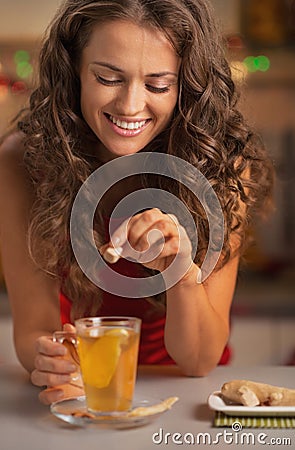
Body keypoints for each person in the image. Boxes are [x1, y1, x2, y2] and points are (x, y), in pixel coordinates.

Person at [0, 0, 273, 405]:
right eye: (108, 78)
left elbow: (198, 360)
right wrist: (51, 357)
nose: (130, 106)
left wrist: (181, 271)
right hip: (86, 394)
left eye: (158, 85)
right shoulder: (21, 162)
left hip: (186, 398)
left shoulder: (222, 166)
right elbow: (32, 332)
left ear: (188, 86)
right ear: (75, 71)